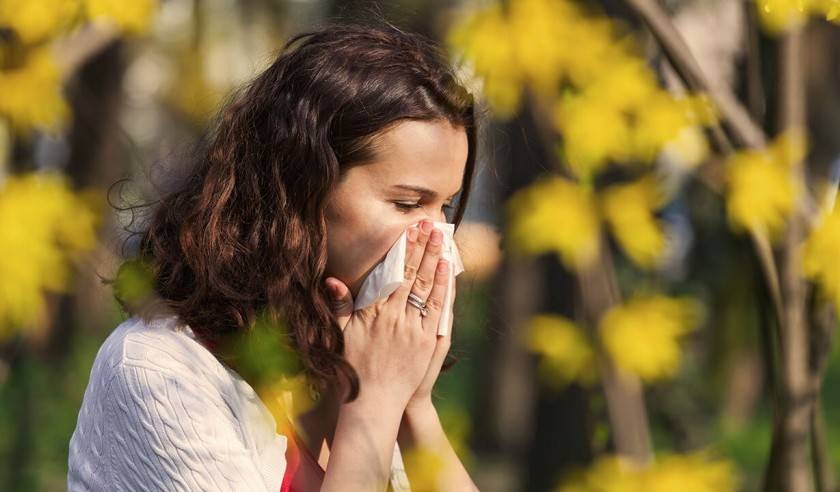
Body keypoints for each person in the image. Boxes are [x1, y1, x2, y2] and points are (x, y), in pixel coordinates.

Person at [68, 20, 482, 491]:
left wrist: (413, 405)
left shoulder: (346, 359)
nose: (436, 236)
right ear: (302, 188)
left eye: (444, 206)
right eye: (407, 204)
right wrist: (377, 402)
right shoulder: (161, 371)